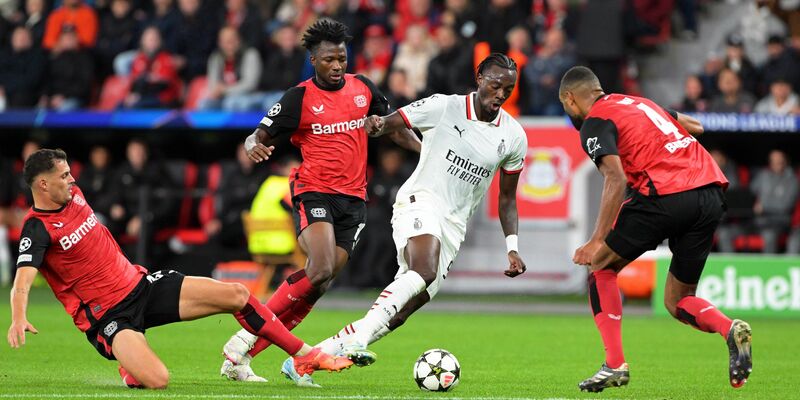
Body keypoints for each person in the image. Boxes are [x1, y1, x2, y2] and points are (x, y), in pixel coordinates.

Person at [7, 149, 353, 389]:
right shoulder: (37, 228)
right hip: (110, 317)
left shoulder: (74, 194)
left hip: (141, 286)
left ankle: (305, 355)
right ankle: (130, 364)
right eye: (64, 176)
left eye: (70, 174)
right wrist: (19, 317)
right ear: (42, 185)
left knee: (237, 294)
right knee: (158, 381)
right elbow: (22, 280)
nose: (71, 180)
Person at [290, 53, 529, 387]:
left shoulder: (514, 136)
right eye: (495, 85)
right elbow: (389, 123)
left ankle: (307, 358)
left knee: (401, 311)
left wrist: (513, 247)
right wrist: (376, 125)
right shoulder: (443, 107)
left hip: (454, 226)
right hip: (419, 201)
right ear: (479, 78)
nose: (501, 94)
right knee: (424, 269)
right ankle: (358, 341)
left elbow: (507, 197)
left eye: (509, 89)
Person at [220, 18, 421, 382]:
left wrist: (425, 152)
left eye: (341, 58)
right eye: (329, 60)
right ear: (314, 60)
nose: (337, 66)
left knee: (320, 283)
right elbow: (259, 133)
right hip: (314, 191)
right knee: (321, 267)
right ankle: (244, 335)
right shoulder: (298, 97)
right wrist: (254, 145)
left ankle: (241, 355)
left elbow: (392, 126)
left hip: (354, 200)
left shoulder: (363, 89)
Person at [557, 66, 752, 392]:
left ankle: (615, 364)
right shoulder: (639, 103)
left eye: (567, 108)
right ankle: (729, 328)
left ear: (570, 99)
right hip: (710, 192)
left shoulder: (594, 122)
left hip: (665, 194)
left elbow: (616, 178)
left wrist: (597, 239)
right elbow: (696, 126)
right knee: (678, 301)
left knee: (600, 265)